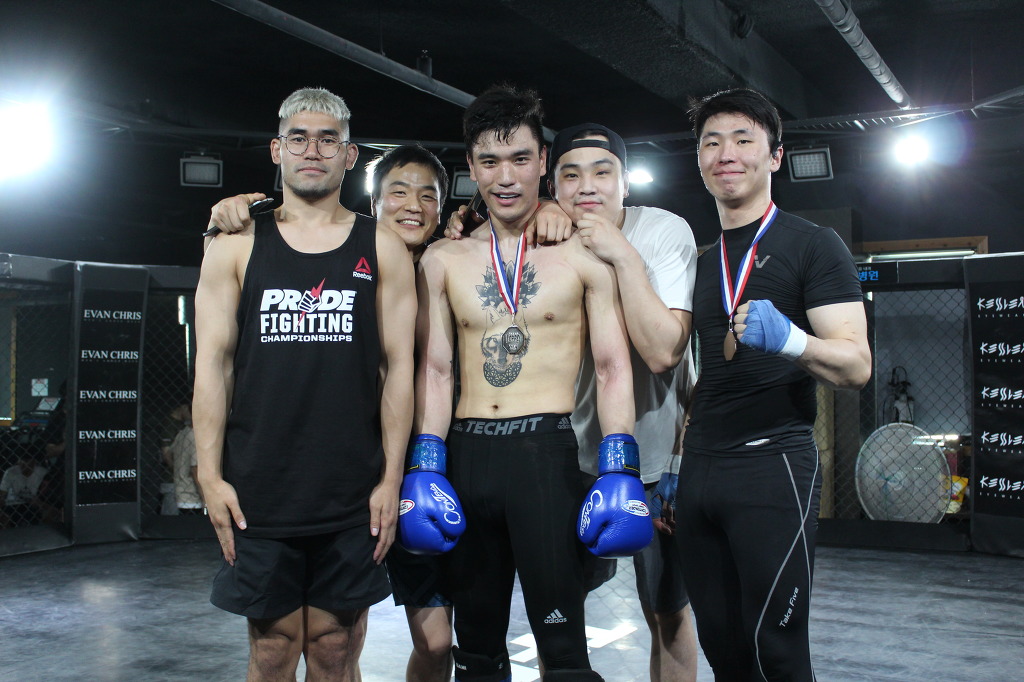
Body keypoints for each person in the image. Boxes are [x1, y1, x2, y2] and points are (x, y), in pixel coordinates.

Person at [410, 84, 642, 681]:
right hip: (466, 455)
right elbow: (435, 369)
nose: (506, 177)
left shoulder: (584, 255)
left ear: (542, 161)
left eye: (519, 159)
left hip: (544, 458)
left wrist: (619, 464)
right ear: (471, 167)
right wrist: (426, 462)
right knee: (476, 654)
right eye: (489, 161)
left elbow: (614, 366)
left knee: (564, 655)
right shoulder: (442, 259)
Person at [206, 143, 454, 682]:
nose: (413, 205)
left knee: (431, 643)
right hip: (354, 477)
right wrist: (227, 215)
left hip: (427, 473)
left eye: (428, 196)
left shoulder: (455, 255)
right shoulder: (352, 247)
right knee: (331, 644)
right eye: (398, 192)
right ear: (373, 201)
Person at [679, 88, 871, 681]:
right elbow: (703, 373)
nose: (726, 153)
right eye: (712, 142)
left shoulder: (813, 244)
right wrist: (676, 460)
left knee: (776, 650)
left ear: (775, 156)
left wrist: (792, 341)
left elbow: (857, 366)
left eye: (743, 139)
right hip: (700, 468)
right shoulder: (700, 260)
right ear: (699, 159)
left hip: (772, 465)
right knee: (722, 648)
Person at [547, 123, 700, 682]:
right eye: (571, 175)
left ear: (626, 182)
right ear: (552, 185)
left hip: (658, 459)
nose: (587, 186)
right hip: (566, 457)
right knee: (557, 611)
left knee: (667, 612)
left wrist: (622, 255)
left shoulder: (660, 230)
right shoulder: (540, 235)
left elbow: (663, 351)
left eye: (602, 171)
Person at [161, 399, 203, 515]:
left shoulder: (183, 431)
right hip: (181, 487)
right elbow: (167, 454)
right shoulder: (185, 432)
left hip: (182, 487)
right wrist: (180, 472)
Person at [0, 450, 46, 528]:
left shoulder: (42, 472)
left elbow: (46, 493)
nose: (23, 463)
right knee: (5, 517)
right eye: (21, 460)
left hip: (34, 504)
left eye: (26, 460)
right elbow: (2, 493)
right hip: (13, 504)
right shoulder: (11, 472)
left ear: (34, 462)